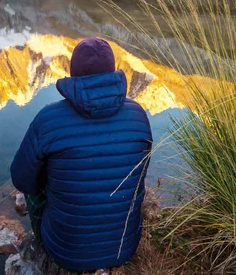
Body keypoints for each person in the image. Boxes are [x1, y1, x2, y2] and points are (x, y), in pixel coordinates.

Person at [10, 38, 153, 272]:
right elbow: (140, 174)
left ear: (72, 72)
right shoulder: (138, 114)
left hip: (65, 252)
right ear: (113, 70)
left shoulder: (49, 119)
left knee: (34, 185)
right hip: (123, 247)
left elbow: (21, 180)